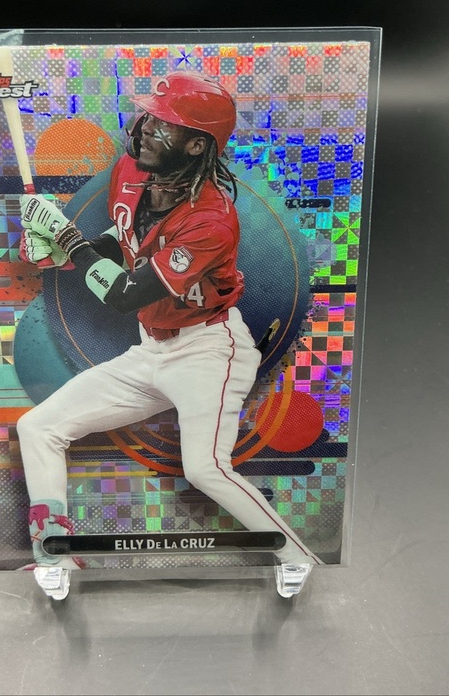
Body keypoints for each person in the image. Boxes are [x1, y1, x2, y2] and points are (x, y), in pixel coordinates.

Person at [17, 71, 321, 570]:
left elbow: (126, 293)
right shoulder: (130, 172)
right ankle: (55, 555)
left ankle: (299, 560)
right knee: (39, 427)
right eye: (148, 117)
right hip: (150, 350)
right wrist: (57, 254)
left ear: (197, 146)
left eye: (163, 126)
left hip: (208, 352)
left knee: (206, 469)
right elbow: (124, 244)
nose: (144, 130)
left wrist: (69, 240)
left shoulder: (211, 221)